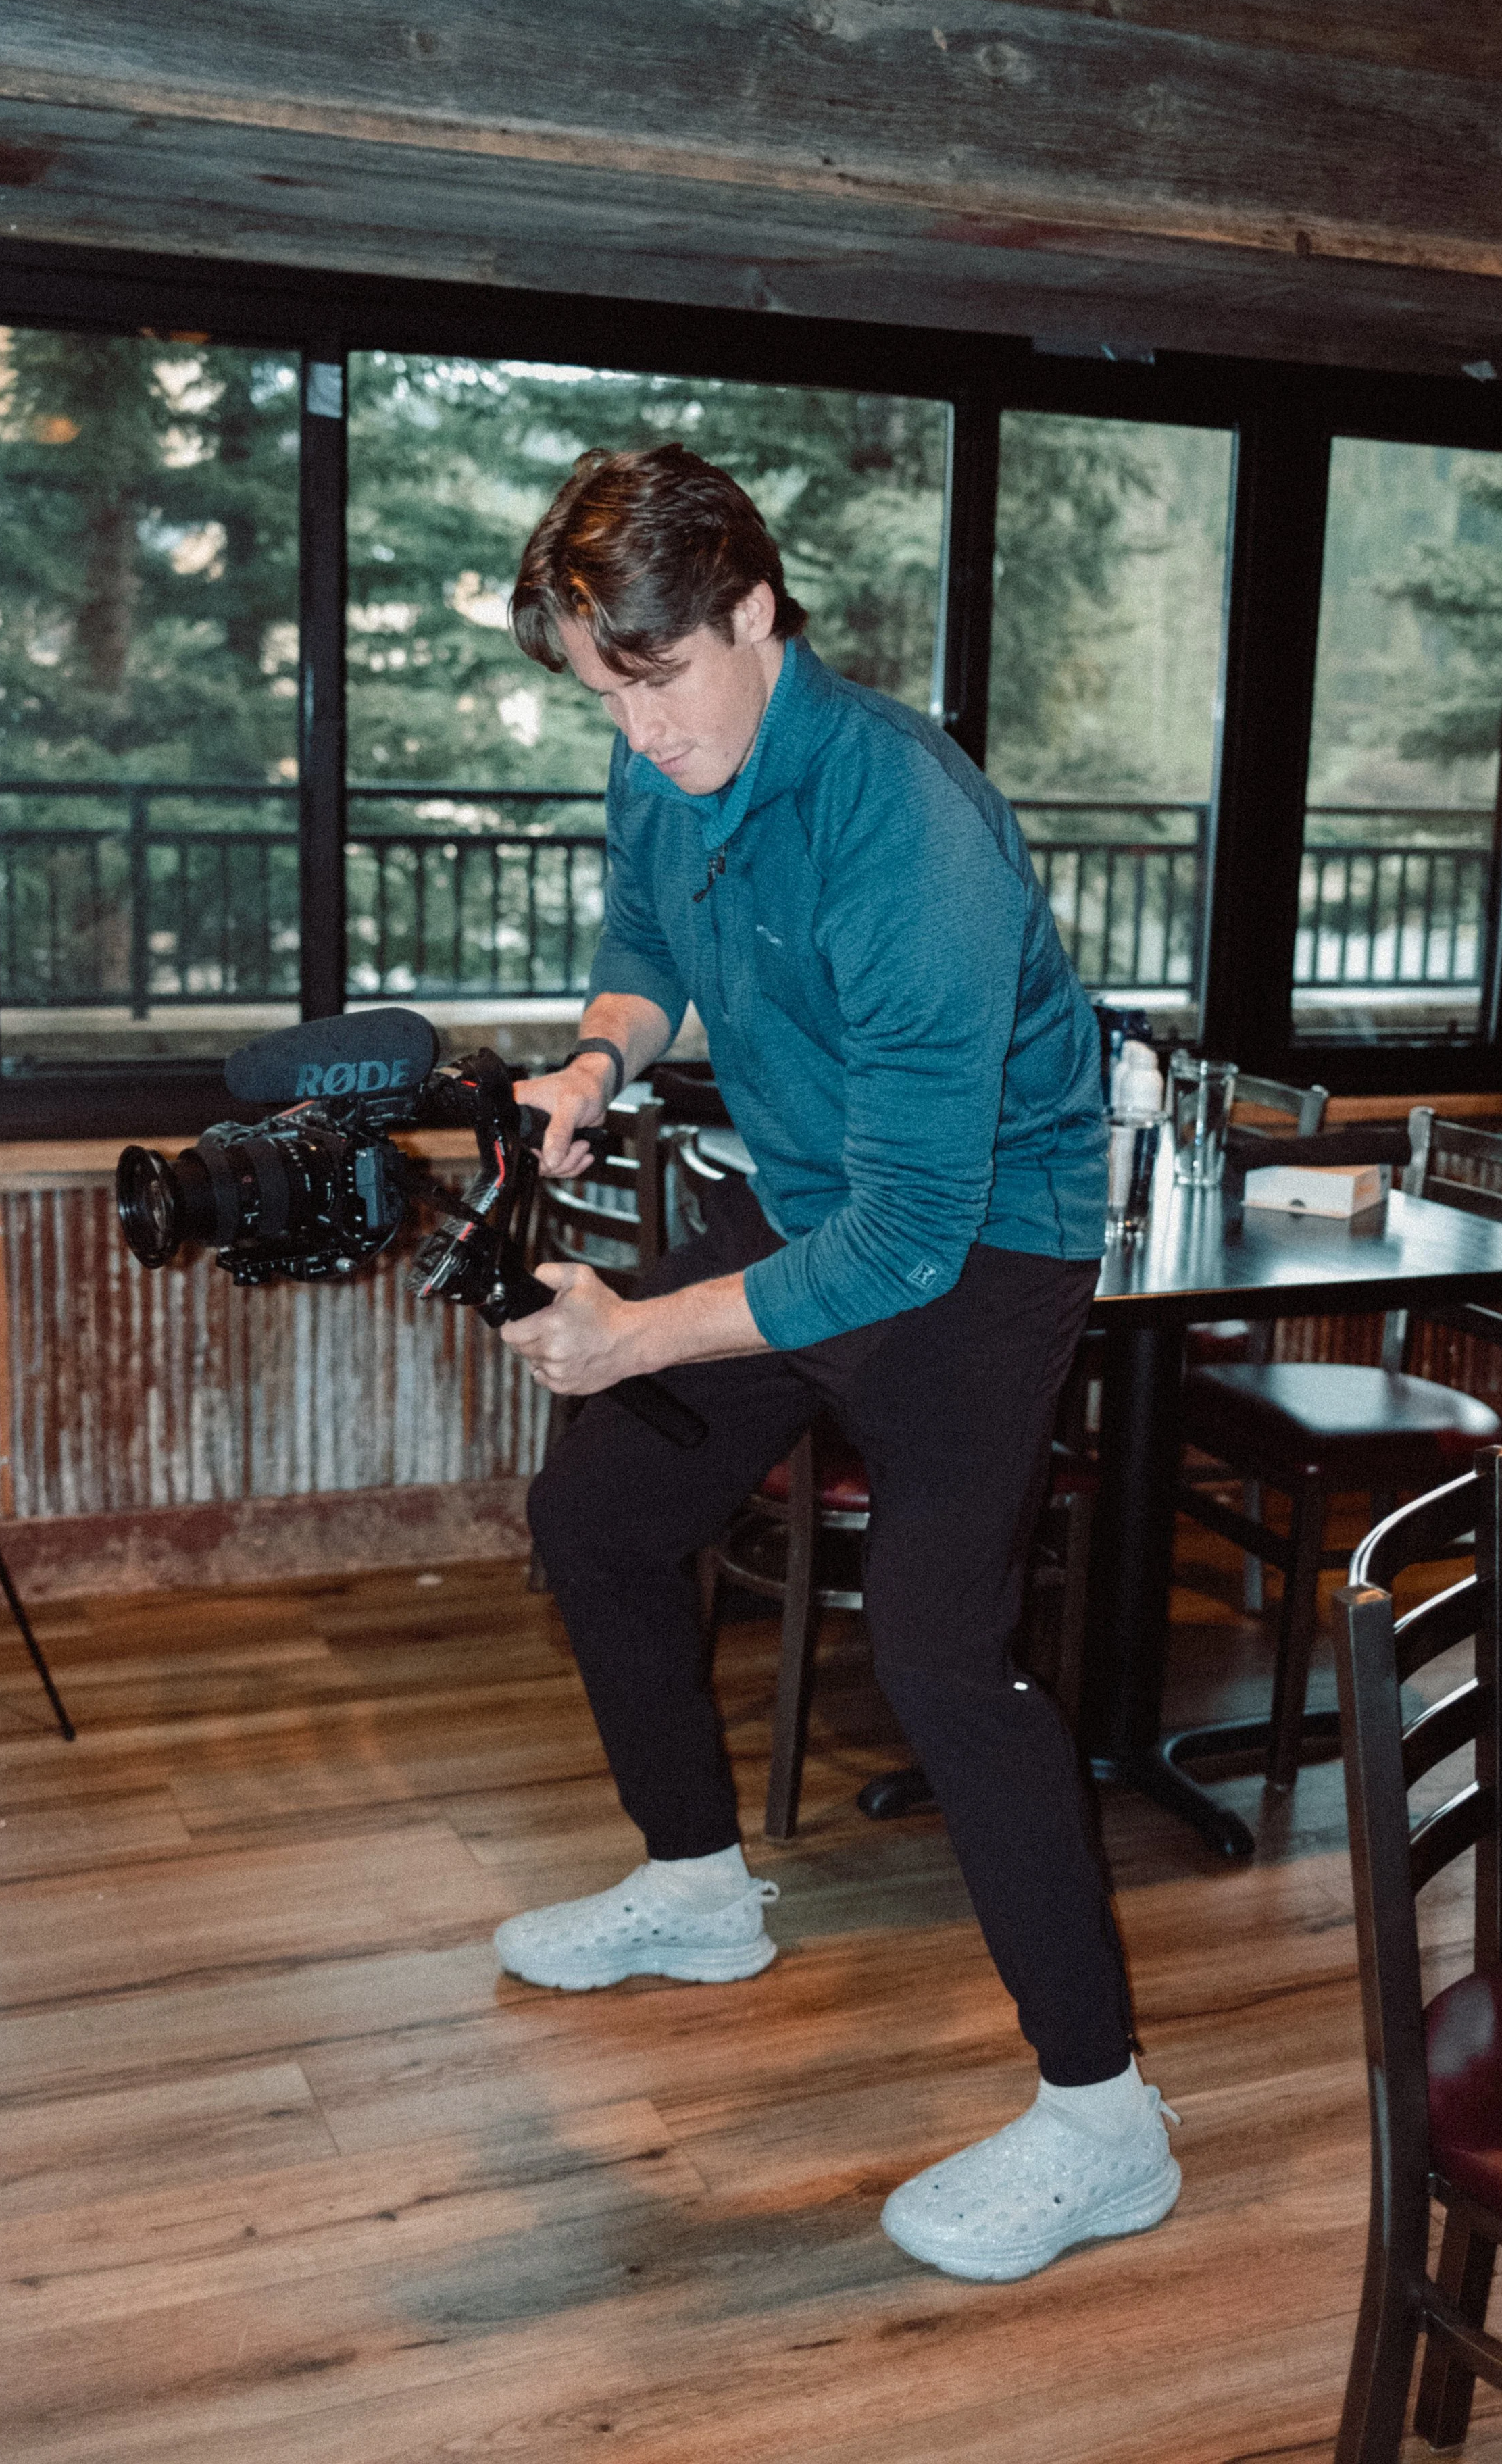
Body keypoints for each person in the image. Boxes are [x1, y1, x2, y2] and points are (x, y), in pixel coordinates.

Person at [492, 443, 1180, 2284]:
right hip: (814, 1194)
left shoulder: (905, 824)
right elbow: (644, 949)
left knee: (942, 1651)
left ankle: (1104, 2115)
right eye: (600, 694)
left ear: (754, 609)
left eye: (657, 680)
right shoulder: (664, 760)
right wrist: (591, 1066)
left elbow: (904, 1241)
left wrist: (640, 1326)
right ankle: (699, 1886)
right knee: (605, 1509)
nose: (635, 729)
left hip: (982, 1245)